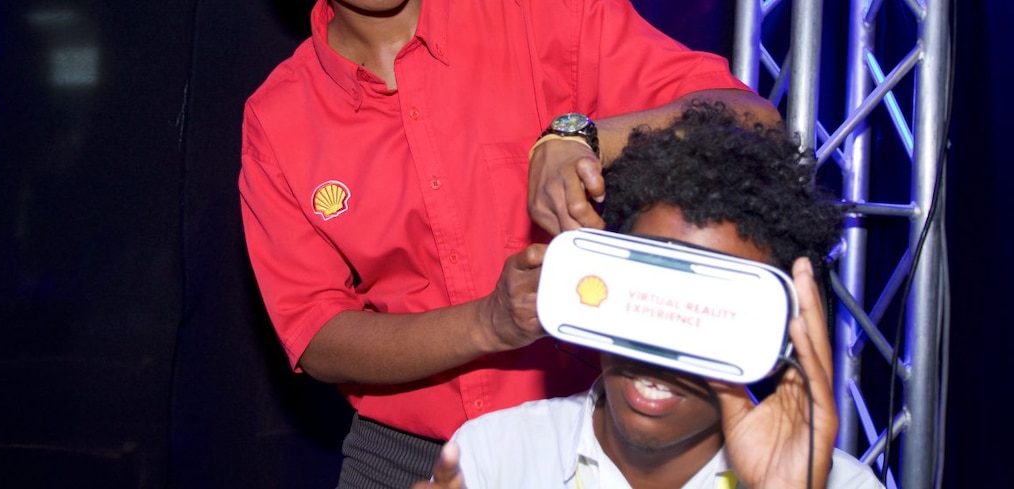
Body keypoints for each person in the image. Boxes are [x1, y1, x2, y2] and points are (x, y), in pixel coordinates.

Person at [239, 1, 780, 487]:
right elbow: (316, 336)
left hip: (593, 446)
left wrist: (583, 136)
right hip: (407, 459)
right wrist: (488, 323)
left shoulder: (541, 13)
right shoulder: (279, 116)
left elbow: (754, 123)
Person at [415, 102, 884, 489]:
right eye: (649, 300)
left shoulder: (838, 483)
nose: (660, 356)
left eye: (703, 315)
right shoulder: (495, 458)